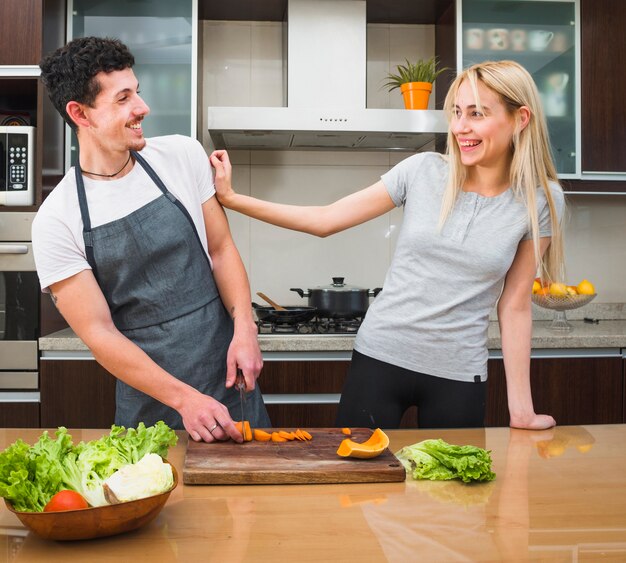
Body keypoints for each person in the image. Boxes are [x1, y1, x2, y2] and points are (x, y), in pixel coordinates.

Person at [211, 60, 565, 431]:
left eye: (477, 114)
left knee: (455, 489)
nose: (460, 128)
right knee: (356, 485)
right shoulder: (423, 171)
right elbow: (325, 220)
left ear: (520, 118)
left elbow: (515, 305)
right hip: (380, 358)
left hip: (459, 373)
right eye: (457, 113)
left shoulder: (540, 201)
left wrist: (521, 411)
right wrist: (233, 199)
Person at [33, 36, 270, 442]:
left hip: (228, 381)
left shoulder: (181, 156)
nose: (142, 108)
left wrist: (245, 326)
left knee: (251, 501)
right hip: (149, 405)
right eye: (123, 98)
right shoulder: (57, 219)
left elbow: (221, 249)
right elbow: (100, 334)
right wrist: (184, 399)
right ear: (80, 114)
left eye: (137, 93)